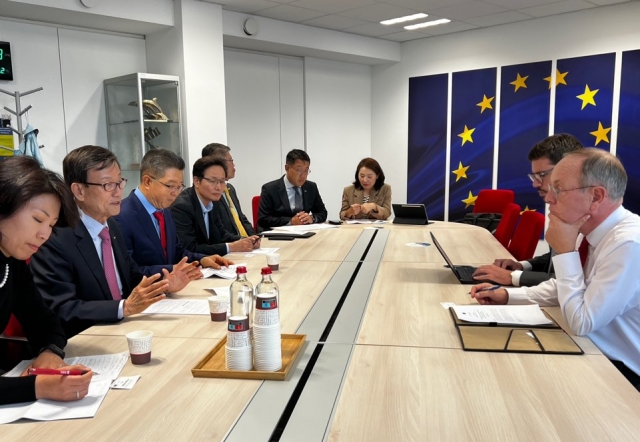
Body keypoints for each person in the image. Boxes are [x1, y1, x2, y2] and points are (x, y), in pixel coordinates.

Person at [471, 148, 640, 391]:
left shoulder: (628, 243)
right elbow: (568, 286)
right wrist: (508, 295)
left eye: (558, 189)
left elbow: (582, 322)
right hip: (592, 351)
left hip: (623, 373)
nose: (549, 198)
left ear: (596, 197)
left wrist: (566, 252)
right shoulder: (592, 230)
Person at [30, 146, 200, 338]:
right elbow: (62, 308)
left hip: (126, 329)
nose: (118, 192)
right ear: (78, 190)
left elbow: (133, 277)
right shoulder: (55, 238)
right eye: (108, 185)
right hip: (88, 339)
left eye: (120, 182)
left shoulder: (111, 226)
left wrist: (164, 284)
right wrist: (122, 307)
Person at [0, 156, 93, 404]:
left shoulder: (12, 262)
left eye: (51, 225)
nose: (44, 234)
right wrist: (38, 387)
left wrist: (50, 351)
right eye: (38, 219)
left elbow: (42, 319)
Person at [472, 134, 583, 286]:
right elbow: (555, 258)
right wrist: (521, 266)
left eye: (542, 175)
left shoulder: (586, 218)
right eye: (534, 176)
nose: (535, 184)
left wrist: (512, 277)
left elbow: (569, 281)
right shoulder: (562, 210)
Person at [114, 148, 231, 275]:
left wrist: (201, 259)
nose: (176, 192)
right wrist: (171, 271)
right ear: (147, 181)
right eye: (170, 186)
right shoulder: (122, 216)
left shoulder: (165, 211)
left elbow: (177, 251)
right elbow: (127, 272)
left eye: (179, 186)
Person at [170, 156, 261, 255]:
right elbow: (189, 248)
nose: (218, 187)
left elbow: (221, 234)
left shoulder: (214, 201)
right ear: (196, 181)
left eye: (222, 181)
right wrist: (230, 247)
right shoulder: (182, 207)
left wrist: (245, 240)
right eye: (213, 181)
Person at [258, 149, 328, 230]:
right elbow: (263, 219)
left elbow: (322, 213)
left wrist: (311, 218)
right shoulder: (270, 189)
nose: (303, 175)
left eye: (306, 170)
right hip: (279, 236)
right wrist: (290, 221)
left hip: (305, 233)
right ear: (287, 168)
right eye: (299, 170)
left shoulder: (311, 187)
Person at [202, 143, 256, 236]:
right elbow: (219, 230)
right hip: (230, 245)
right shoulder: (210, 194)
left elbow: (241, 218)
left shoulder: (230, 189)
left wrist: (255, 238)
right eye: (230, 160)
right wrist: (241, 241)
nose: (234, 165)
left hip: (245, 245)